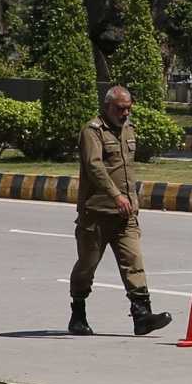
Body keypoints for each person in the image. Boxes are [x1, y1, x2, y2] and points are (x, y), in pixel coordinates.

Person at [67, 85, 172, 337]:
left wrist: (132, 199)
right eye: (120, 109)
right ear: (107, 106)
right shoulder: (92, 132)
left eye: (128, 108)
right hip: (97, 212)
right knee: (87, 265)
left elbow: (127, 170)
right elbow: (95, 167)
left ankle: (142, 315)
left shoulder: (129, 130)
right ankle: (78, 313)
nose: (125, 113)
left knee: (133, 262)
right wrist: (115, 195)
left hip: (125, 214)